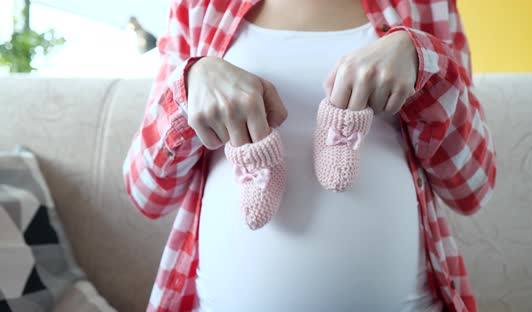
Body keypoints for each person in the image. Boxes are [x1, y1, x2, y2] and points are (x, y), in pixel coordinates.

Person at [122, 0, 497, 311]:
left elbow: (471, 190)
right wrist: (190, 88)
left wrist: (423, 63)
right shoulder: (198, 6)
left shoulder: (426, 4)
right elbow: (147, 195)